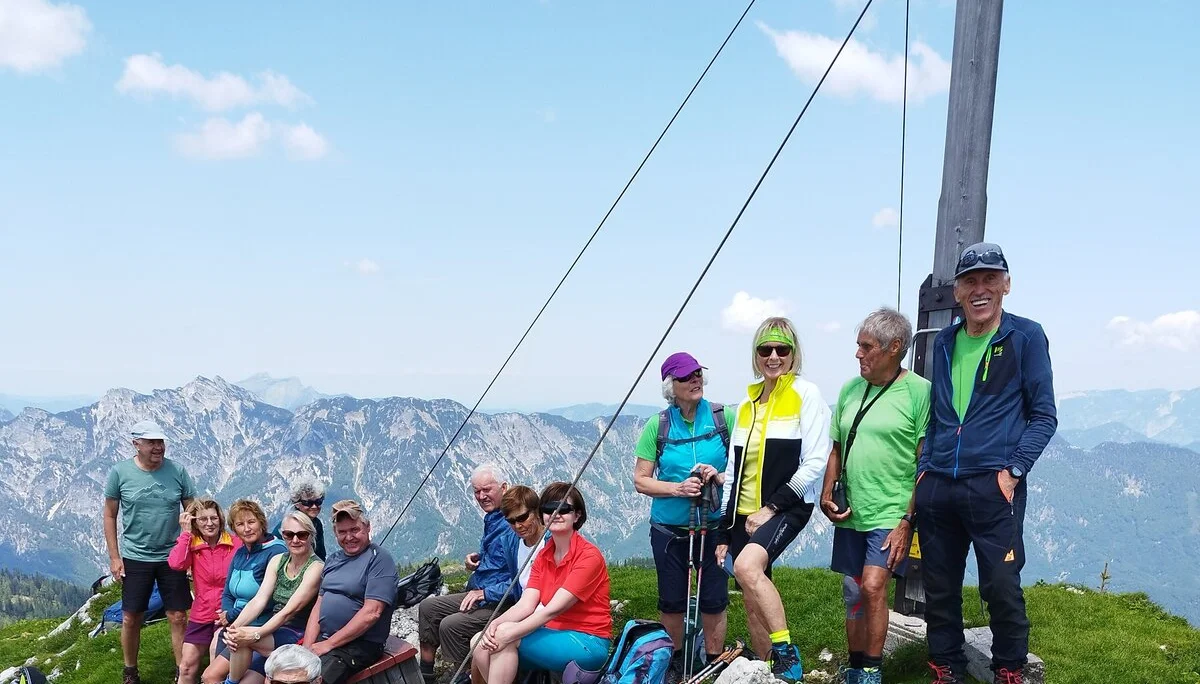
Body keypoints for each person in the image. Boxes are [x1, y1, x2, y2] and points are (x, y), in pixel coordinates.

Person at [916, 243, 1056, 684]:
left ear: (1006, 285)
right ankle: (946, 668)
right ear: (957, 291)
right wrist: (925, 471)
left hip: (994, 485)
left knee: (1001, 583)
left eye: (990, 279)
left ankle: (1009, 670)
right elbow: (939, 414)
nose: (980, 289)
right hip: (939, 483)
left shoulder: (1025, 336)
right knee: (939, 585)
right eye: (970, 281)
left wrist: (1013, 472)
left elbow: (1044, 416)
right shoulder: (944, 342)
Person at [713, 317, 832, 682]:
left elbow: (816, 461)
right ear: (756, 355)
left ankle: (786, 654)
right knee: (751, 598)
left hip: (786, 506)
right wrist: (723, 531)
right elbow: (733, 470)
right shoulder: (747, 403)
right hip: (742, 511)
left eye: (782, 349)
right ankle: (770, 673)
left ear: (794, 354)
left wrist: (772, 508)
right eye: (766, 349)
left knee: (748, 568)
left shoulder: (805, 394)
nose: (774, 357)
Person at [820, 309, 930, 684]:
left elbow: (924, 462)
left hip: (891, 511)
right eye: (859, 345)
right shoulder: (851, 389)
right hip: (852, 508)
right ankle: (854, 667)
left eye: (866, 347)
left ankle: (871, 671)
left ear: (894, 347)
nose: (858, 354)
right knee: (853, 591)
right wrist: (827, 490)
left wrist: (907, 521)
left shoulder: (919, 392)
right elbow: (837, 447)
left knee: (872, 586)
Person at [633, 352, 731, 678]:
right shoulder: (658, 425)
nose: (695, 380)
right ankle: (675, 664)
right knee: (672, 600)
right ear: (670, 386)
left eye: (698, 373)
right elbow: (641, 480)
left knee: (714, 598)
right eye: (686, 376)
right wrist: (678, 489)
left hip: (714, 525)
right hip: (668, 528)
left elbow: (745, 466)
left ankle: (713, 662)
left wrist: (718, 476)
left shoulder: (723, 417)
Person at [475, 483, 611, 684]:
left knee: (504, 639)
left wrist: (508, 632)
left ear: (577, 515)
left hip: (588, 640)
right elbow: (526, 604)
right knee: (479, 642)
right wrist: (494, 625)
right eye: (548, 509)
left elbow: (552, 610)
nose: (555, 514)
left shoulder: (588, 556)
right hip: (553, 632)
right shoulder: (543, 555)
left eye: (563, 509)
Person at [104, 419, 197, 684]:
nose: (158, 447)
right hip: (135, 556)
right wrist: (115, 557)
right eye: (152, 442)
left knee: (178, 615)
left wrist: (194, 551)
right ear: (136, 444)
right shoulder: (119, 473)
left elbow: (193, 509)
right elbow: (110, 515)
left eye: (161, 442)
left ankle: (182, 672)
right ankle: (130, 671)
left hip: (173, 555)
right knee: (131, 617)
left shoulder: (177, 471)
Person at [418, 465, 518, 684]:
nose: (481, 496)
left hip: (502, 601)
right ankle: (425, 675)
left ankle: (465, 676)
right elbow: (499, 560)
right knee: (428, 607)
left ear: (503, 488)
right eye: (476, 491)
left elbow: (520, 579)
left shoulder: (514, 523)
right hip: (482, 591)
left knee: (451, 625)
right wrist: (478, 560)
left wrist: (485, 593)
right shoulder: (493, 518)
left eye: (487, 490)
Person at [218, 512, 324, 684]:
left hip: (298, 632)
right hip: (275, 629)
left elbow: (289, 611)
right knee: (239, 636)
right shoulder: (277, 560)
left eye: (302, 535)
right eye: (289, 535)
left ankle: (230, 682)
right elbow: (259, 599)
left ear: (311, 536)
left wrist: (255, 635)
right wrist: (234, 627)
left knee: (242, 638)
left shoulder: (316, 567)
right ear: (283, 536)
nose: (295, 540)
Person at [303, 499, 399, 684]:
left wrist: (328, 644)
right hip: (326, 639)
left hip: (359, 644)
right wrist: (307, 648)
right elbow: (319, 605)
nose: (349, 537)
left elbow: (372, 612)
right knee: (285, 672)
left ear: (368, 527)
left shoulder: (379, 560)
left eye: (354, 530)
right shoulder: (333, 560)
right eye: (342, 532)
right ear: (335, 533)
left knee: (314, 680)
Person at [203, 501, 288, 684]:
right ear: (234, 529)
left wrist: (231, 615)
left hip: (260, 628)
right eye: (240, 524)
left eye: (251, 522)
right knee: (210, 677)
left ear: (261, 522)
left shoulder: (276, 551)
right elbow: (228, 592)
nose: (247, 529)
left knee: (220, 677)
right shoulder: (241, 553)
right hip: (235, 626)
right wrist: (227, 613)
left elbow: (269, 598)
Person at [469, 486, 548, 684]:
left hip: (543, 615)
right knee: (477, 644)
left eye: (522, 518)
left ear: (536, 512)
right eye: (511, 521)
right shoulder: (512, 542)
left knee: (492, 644)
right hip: (524, 609)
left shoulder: (549, 542)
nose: (518, 526)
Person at [169, 498, 242, 684]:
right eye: (203, 519)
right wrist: (185, 534)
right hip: (201, 613)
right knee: (185, 667)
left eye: (213, 518)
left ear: (220, 519)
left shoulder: (235, 544)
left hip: (228, 612)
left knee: (215, 660)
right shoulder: (192, 544)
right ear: (195, 522)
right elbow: (176, 564)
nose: (209, 523)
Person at [272, 480, 327, 561]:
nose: (314, 506)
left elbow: (320, 555)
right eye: (308, 503)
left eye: (318, 502)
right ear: (297, 504)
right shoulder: (287, 525)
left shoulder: (316, 523)